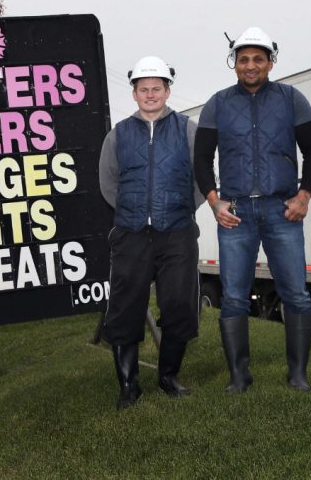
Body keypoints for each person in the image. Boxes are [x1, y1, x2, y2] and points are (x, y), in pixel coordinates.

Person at [194, 27, 311, 393]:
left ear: (270, 62)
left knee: (296, 292)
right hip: (235, 215)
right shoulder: (217, 103)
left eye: (258, 58)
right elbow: (201, 159)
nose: (250, 65)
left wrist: (304, 196)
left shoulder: (291, 99)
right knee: (234, 296)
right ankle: (239, 376)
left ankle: (298, 374)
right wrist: (214, 201)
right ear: (233, 63)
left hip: (282, 211)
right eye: (243, 59)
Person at [98, 56, 204, 410]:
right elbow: (108, 183)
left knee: (179, 306)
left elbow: (202, 179)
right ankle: (129, 386)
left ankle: (168, 376)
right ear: (134, 94)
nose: (150, 94)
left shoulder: (187, 128)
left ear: (167, 90)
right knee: (125, 308)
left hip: (176, 233)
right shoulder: (118, 135)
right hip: (130, 234)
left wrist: (179, 209)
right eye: (143, 89)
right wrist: (133, 213)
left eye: (156, 88)